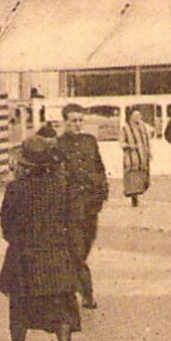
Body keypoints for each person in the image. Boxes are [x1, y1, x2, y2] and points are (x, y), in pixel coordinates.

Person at [0, 135, 81, 341]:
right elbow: (73, 222)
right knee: (62, 305)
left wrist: (18, 242)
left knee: (19, 306)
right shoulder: (62, 186)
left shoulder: (15, 188)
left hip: (23, 255)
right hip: (56, 252)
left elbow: (6, 224)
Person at [56, 105, 107, 309]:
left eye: (80, 120)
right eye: (73, 120)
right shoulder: (58, 145)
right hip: (71, 206)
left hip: (91, 205)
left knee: (85, 246)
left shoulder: (90, 142)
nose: (77, 124)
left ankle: (72, 283)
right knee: (76, 249)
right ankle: (87, 292)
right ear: (64, 122)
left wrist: (101, 192)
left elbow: (99, 168)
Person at [120, 108, 152, 208]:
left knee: (142, 176)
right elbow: (121, 143)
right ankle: (134, 197)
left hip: (143, 156)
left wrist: (149, 152)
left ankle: (138, 192)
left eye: (139, 115)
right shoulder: (125, 128)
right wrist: (130, 145)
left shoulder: (143, 126)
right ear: (130, 117)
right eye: (135, 115)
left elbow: (148, 140)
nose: (138, 117)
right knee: (133, 177)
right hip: (132, 157)